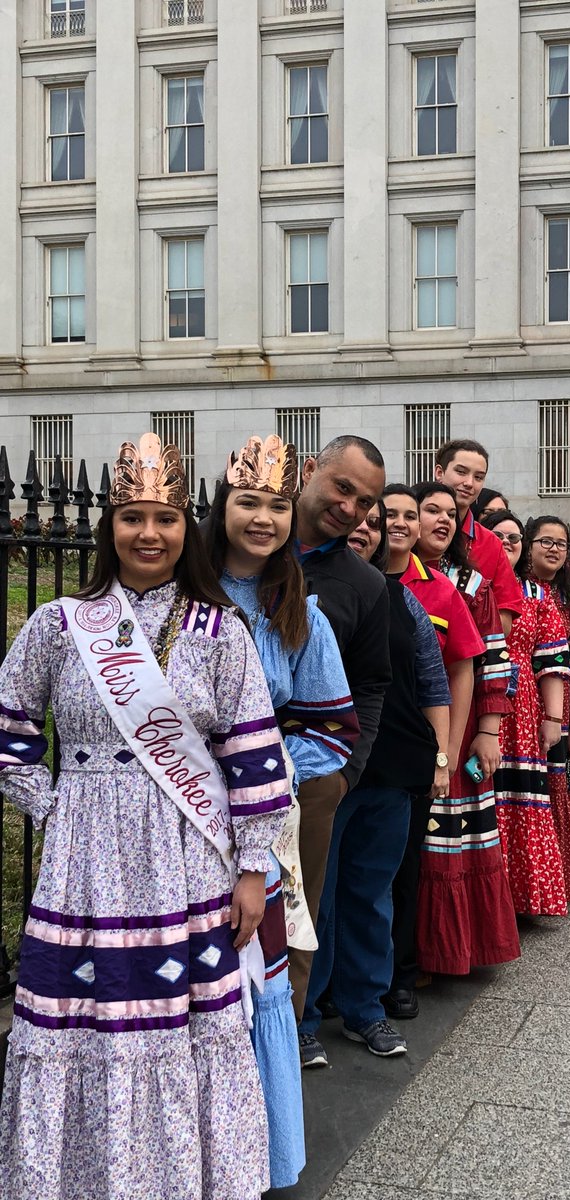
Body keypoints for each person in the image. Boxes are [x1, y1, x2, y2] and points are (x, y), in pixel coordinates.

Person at [0, 434, 292, 1199]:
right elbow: (10, 723)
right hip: (83, 861)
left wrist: (254, 871)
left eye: (163, 517)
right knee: (83, 1020)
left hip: (188, 856)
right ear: (111, 528)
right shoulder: (60, 625)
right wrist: (50, 802)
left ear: (182, 527)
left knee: (184, 1027)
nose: (149, 534)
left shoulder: (218, 629)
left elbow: (254, 759)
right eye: (132, 517)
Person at [206, 435, 360, 1180]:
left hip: (256, 828)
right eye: (247, 503)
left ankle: (255, 1153)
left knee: (257, 973)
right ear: (221, 507)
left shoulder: (302, 614)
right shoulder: (179, 594)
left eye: (274, 504)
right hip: (170, 823)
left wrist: (258, 774)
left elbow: (335, 733)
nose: (262, 518)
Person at [298, 500, 452, 1063]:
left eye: (375, 524)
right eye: (356, 522)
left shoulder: (398, 597)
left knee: (371, 892)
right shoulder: (297, 586)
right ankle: (304, 1014)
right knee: (316, 897)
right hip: (324, 770)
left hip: (390, 769)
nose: (364, 530)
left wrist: (441, 757)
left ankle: (367, 1008)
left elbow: (434, 680)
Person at [288, 435, 392, 1018]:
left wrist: (343, 776)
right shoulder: (232, 549)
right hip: (203, 768)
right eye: (343, 488)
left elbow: (373, 684)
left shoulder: (365, 584)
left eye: (365, 502)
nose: (350, 509)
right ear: (310, 470)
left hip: (309, 780)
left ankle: (281, 1045)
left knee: (292, 921)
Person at [380, 484, 484, 1019]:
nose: (400, 525)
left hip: (415, 747)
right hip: (356, 747)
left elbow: (461, 669)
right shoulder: (356, 576)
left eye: (407, 516)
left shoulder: (440, 592)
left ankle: (399, 972)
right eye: (389, 515)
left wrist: (445, 752)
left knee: (404, 867)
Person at [412, 481, 520, 974]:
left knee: (449, 841)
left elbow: (494, 660)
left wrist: (488, 731)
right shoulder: (382, 572)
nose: (440, 520)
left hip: (458, 724)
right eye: (428, 510)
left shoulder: (473, 584)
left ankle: (449, 952)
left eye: (449, 515)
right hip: (398, 726)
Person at [484, 511, 570, 916]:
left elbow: (552, 663)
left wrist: (553, 720)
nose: (506, 542)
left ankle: (521, 897)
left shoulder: (537, 596)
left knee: (520, 800)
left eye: (514, 536)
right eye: (497, 535)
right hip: (476, 697)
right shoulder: (473, 584)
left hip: (521, 710)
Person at [522, 516, 570, 904]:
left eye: (561, 544)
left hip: (558, 708)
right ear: (527, 544)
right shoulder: (510, 589)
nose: (553, 549)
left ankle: (555, 885)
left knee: (555, 793)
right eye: (544, 541)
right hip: (515, 707)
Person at [433, 439, 523, 635]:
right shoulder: (416, 530)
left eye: (479, 477)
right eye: (461, 472)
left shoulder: (490, 543)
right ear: (439, 472)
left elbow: (504, 623)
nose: (469, 483)